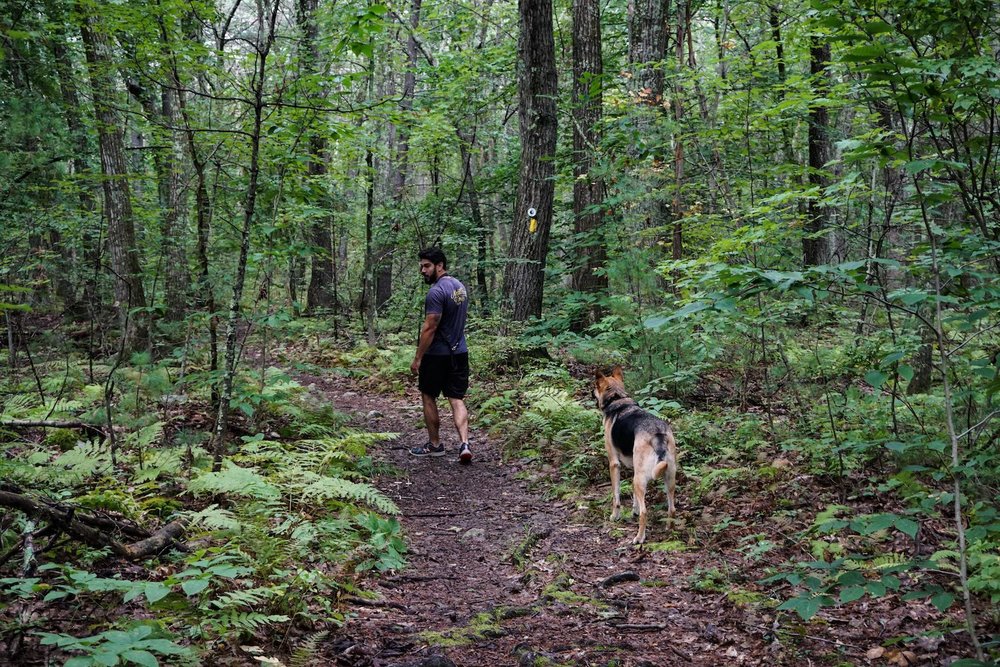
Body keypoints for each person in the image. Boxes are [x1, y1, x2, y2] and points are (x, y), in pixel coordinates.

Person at [409, 247, 472, 463]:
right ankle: (464, 443)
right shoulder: (460, 287)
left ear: (440, 266)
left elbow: (430, 327)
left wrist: (418, 358)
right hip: (460, 352)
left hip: (437, 355)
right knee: (456, 398)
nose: (423, 271)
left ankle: (435, 445)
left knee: (428, 396)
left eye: (426, 266)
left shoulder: (436, 292)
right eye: (421, 266)